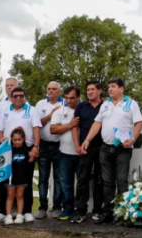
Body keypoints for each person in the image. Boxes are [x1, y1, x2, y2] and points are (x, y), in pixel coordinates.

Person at [81, 77, 142, 224]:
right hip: (105, 148)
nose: (110, 89)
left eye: (113, 86)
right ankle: (108, 212)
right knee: (107, 182)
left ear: (121, 89)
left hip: (122, 149)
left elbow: (139, 124)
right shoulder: (105, 105)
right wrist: (87, 139)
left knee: (121, 181)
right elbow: (97, 123)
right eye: (109, 87)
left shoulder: (131, 104)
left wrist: (133, 139)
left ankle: (124, 213)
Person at [0, 86, 41, 223]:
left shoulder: (32, 110)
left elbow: (36, 129)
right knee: (6, 181)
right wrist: (2, 149)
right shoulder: (4, 111)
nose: (18, 98)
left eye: (21, 95)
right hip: (9, 149)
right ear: (11, 98)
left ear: (25, 97)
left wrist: (36, 147)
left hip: (27, 148)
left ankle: (26, 211)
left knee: (25, 180)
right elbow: (0, 131)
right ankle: (4, 212)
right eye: (15, 96)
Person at [0, 77, 20, 225]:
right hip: (2, 149)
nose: (9, 87)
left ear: (17, 87)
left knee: (17, 179)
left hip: (18, 149)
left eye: (12, 85)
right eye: (7, 85)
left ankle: (15, 210)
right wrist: (1, 141)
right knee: (0, 179)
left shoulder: (24, 105)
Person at [72, 81, 105, 222]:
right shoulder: (81, 107)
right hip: (85, 148)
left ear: (100, 91)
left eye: (92, 89)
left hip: (103, 147)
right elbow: (74, 127)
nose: (90, 92)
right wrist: (77, 145)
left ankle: (98, 210)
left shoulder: (107, 106)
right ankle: (80, 211)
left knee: (100, 180)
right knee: (82, 179)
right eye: (88, 90)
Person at [34, 81, 65, 219]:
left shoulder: (65, 103)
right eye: (49, 88)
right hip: (44, 145)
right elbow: (37, 123)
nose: (51, 91)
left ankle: (57, 207)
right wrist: (51, 115)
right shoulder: (40, 104)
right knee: (43, 178)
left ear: (59, 91)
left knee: (59, 178)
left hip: (61, 145)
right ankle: (42, 208)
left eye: (54, 89)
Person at [50, 86, 81, 221]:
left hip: (82, 153)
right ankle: (67, 209)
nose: (69, 101)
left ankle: (80, 210)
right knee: (65, 183)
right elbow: (53, 129)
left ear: (78, 98)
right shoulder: (60, 111)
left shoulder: (84, 108)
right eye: (66, 98)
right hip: (64, 153)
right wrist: (69, 125)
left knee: (82, 183)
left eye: (72, 98)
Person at [5, 128, 36, 225]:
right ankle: (8, 215)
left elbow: (30, 162)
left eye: (19, 140)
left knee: (20, 196)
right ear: (11, 139)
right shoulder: (8, 150)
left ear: (23, 139)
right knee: (10, 196)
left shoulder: (26, 149)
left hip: (22, 177)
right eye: (15, 140)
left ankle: (19, 215)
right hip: (10, 178)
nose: (17, 142)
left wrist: (32, 157)